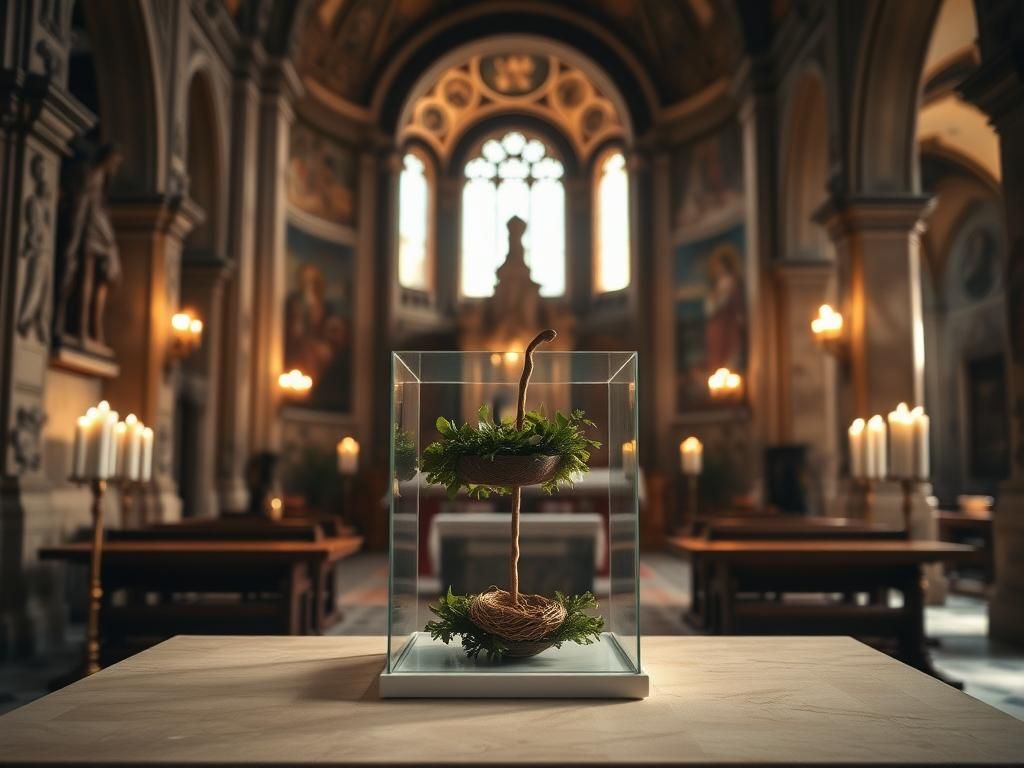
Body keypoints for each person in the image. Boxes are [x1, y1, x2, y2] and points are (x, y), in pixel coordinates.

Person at [54, 144, 123, 346]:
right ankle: (80, 329)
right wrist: (75, 239)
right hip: (87, 233)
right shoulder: (90, 175)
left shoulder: (101, 180)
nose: (116, 167)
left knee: (99, 279)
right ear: (108, 158)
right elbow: (81, 207)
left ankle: (90, 330)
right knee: (83, 279)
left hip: (96, 235)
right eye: (116, 162)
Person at [703, 243, 746, 372]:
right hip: (717, 326)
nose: (717, 270)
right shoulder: (717, 285)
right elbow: (710, 309)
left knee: (729, 355)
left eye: (720, 266)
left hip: (728, 325)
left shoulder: (730, 282)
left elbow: (726, 303)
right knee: (716, 356)